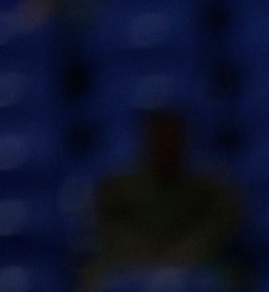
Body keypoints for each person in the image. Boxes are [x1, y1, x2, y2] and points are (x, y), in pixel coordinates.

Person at [88, 109, 239, 282]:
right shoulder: (119, 187)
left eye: (171, 140)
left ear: (183, 143)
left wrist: (185, 252)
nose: (165, 147)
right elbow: (107, 224)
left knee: (230, 283)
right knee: (93, 283)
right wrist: (141, 253)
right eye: (159, 141)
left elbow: (221, 222)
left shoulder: (207, 188)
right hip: (130, 262)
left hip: (194, 262)